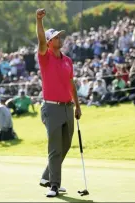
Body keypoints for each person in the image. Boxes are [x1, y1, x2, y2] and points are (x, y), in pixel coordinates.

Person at [36, 8, 82, 197]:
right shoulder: (44, 58)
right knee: (55, 148)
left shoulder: (68, 61)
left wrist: (77, 105)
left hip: (67, 108)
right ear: (49, 42)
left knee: (65, 145)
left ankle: (47, 176)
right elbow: (40, 39)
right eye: (55, 37)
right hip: (52, 108)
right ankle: (54, 185)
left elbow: (71, 84)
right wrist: (38, 20)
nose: (59, 39)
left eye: (60, 37)